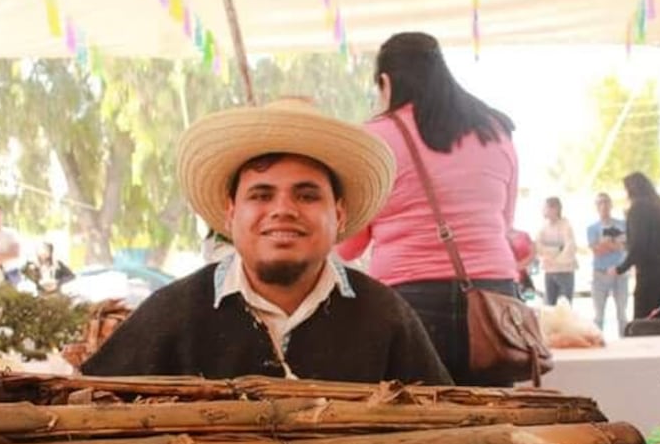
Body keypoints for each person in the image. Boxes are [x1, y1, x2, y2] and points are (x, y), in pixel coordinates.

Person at [81, 98, 451, 385]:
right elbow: (92, 416)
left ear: (338, 214)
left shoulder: (386, 317)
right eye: (261, 195)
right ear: (231, 213)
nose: (283, 210)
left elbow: (444, 433)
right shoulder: (172, 315)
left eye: (307, 195)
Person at [334, 31, 520, 386]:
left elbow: (349, 245)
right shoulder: (496, 130)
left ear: (386, 82)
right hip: (495, 295)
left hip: (409, 297)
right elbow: (505, 220)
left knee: (419, 414)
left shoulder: (373, 139)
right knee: (495, 411)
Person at [611, 172, 660, 319]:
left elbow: (639, 245)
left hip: (649, 272)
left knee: (643, 321)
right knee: (659, 319)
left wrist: (621, 268)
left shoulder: (637, 209)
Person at [586, 192, 628, 335]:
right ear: (596, 206)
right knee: (599, 315)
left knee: (622, 313)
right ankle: (598, 339)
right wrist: (614, 243)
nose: (603, 205)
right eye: (600, 203)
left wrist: (606, 243)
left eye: (606, 202)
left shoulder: (622, 224)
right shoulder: (592, 228)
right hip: (600, 273)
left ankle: (625, 340)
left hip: (620, 272)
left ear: (611, 204)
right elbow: (597, 250)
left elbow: (624, 246)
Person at [536, 196, 577, 305]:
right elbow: (538, 247)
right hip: (549, 271)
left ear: (556, 209)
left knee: (565, 306)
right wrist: (556, 250)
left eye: (546, 207)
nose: (544, 210)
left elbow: (570, 247)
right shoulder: (543, 227)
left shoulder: (566, 225)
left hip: (565, 271)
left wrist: (554, 259)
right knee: (549, 306)